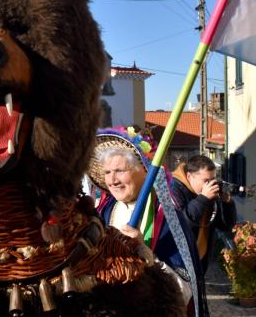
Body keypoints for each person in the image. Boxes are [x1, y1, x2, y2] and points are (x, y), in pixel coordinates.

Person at [87, 127, 207, 316]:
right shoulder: (103, 211)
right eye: (108, 172)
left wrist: (147, 255)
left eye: (119, 170)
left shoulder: (168, 218)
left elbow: (185, 289)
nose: (112, 180)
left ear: (143, 171)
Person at [171, 155, 237, 273]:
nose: (210, 185)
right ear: (189, 176)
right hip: (177, 263)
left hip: (199, 263)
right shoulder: (173, 188)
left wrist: (227, 203)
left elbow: (225, 225)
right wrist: (203, 198)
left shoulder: (208, 193)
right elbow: (180, 224)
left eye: (213, 180)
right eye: (206, 181)